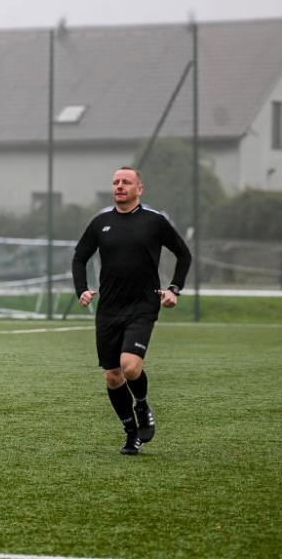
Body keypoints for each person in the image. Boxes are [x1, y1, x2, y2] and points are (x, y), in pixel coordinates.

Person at [72, 166, 191, 455]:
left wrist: (174, 289)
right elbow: (79, 257)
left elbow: (183, 254)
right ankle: (131, 433)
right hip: (109, 308)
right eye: (115, 182)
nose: (119, 186)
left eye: (126, 182)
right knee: (113, 376)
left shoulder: (155, 222)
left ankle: (143, 404)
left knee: (130, 366)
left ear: (140, 189)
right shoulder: (101, 223)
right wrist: (82, 290)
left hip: (143, 305)